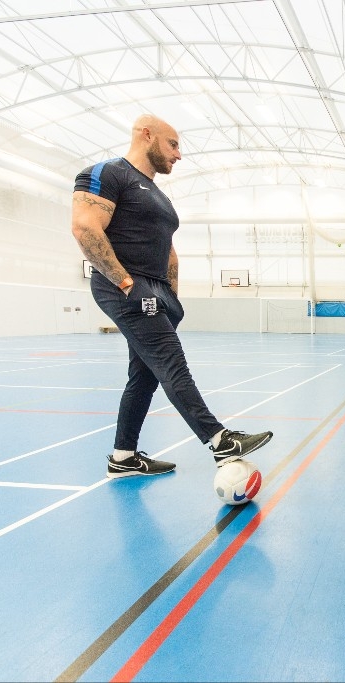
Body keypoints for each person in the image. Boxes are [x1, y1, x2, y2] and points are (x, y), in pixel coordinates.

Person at [71, 114, 273, 478]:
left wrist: (171, 298)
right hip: (128, 286)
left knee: (144, 376)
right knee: (171, 363)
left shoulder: (157, 194)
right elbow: (85, 226)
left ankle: (124, 456)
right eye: (173, 144)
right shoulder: (107, 173)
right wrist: (125, 283)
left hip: (158, 291)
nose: (179, 155)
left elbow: (168, 249)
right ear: (146, 135)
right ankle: (219, 441)